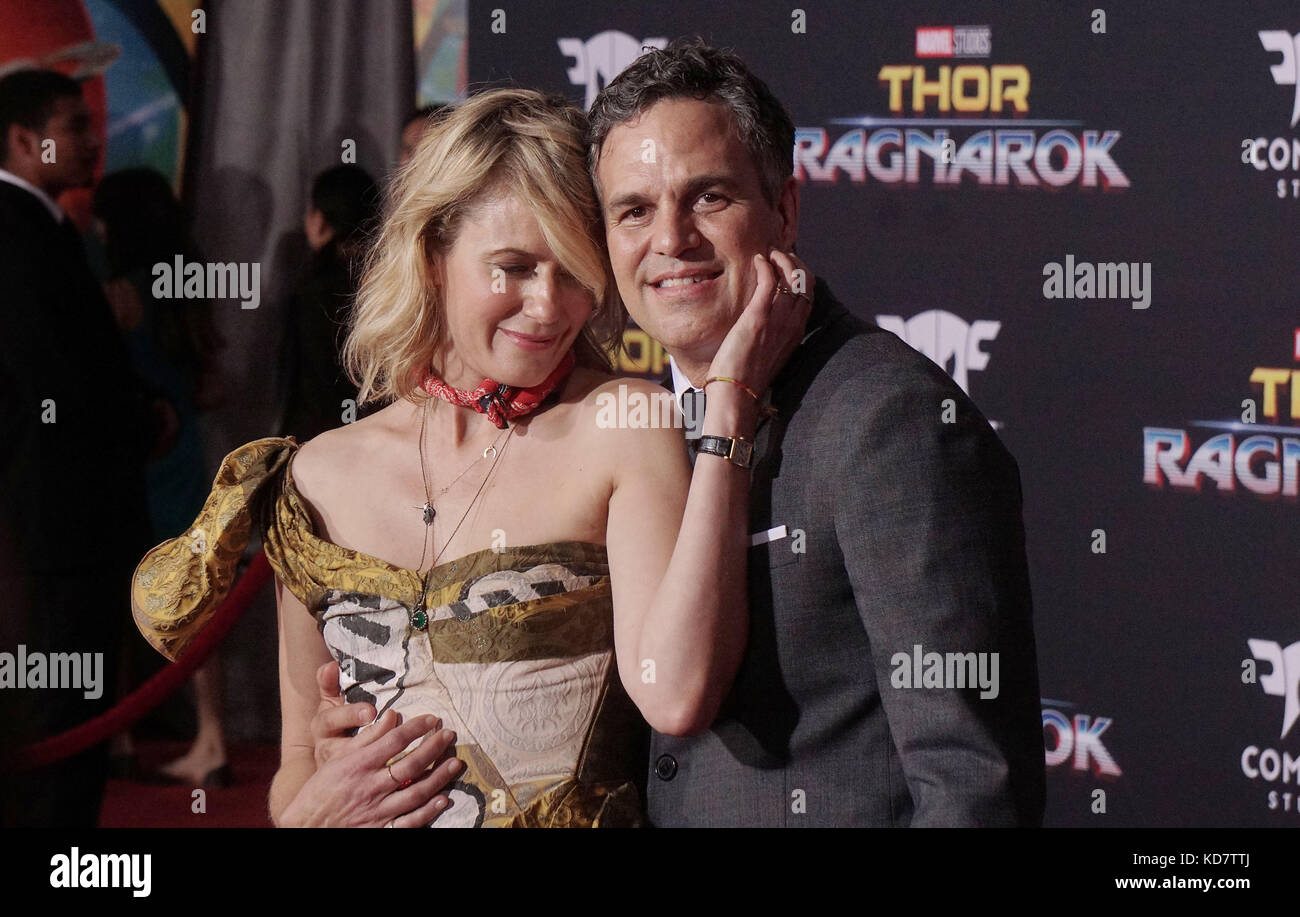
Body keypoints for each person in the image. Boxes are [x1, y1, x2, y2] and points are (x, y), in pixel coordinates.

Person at [131, 87, 811, 827]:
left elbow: (678, 690)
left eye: (575, 273)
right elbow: (297, 762)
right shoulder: (316, 478)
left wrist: (729, 406)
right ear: (432, 257)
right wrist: (305, 812)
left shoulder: (620, 422)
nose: (549, 306)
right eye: (513, 267)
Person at [586, 40, 1045, 826]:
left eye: (709, 197)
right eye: (634, 209)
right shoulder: (631, 424)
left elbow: (971, 782)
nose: (670, 240)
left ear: (787, 210)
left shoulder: (890, 420)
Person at [0, 69, 164, 827]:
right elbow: (52, 380)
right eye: (76, 125)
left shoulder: (44, 226)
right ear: (24, 140)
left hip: (58, 526)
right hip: (52, 529)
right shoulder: (16, 229)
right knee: (58, 725)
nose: (93, 140)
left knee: (67, 719)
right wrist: (143, 423)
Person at [92, 167, 229, 788]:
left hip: (133, 459)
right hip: (186, 460)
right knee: (191, 603)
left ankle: (117, 735)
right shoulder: (186, 290)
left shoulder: (119, 291)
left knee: (120, 598)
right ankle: (212, 737)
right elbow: (208, 383)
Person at [278, 163, 378, 443]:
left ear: (320, 220)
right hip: (376, 433)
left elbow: (306, 381)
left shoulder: (315, 287)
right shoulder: (391, 279)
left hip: (317, 437)